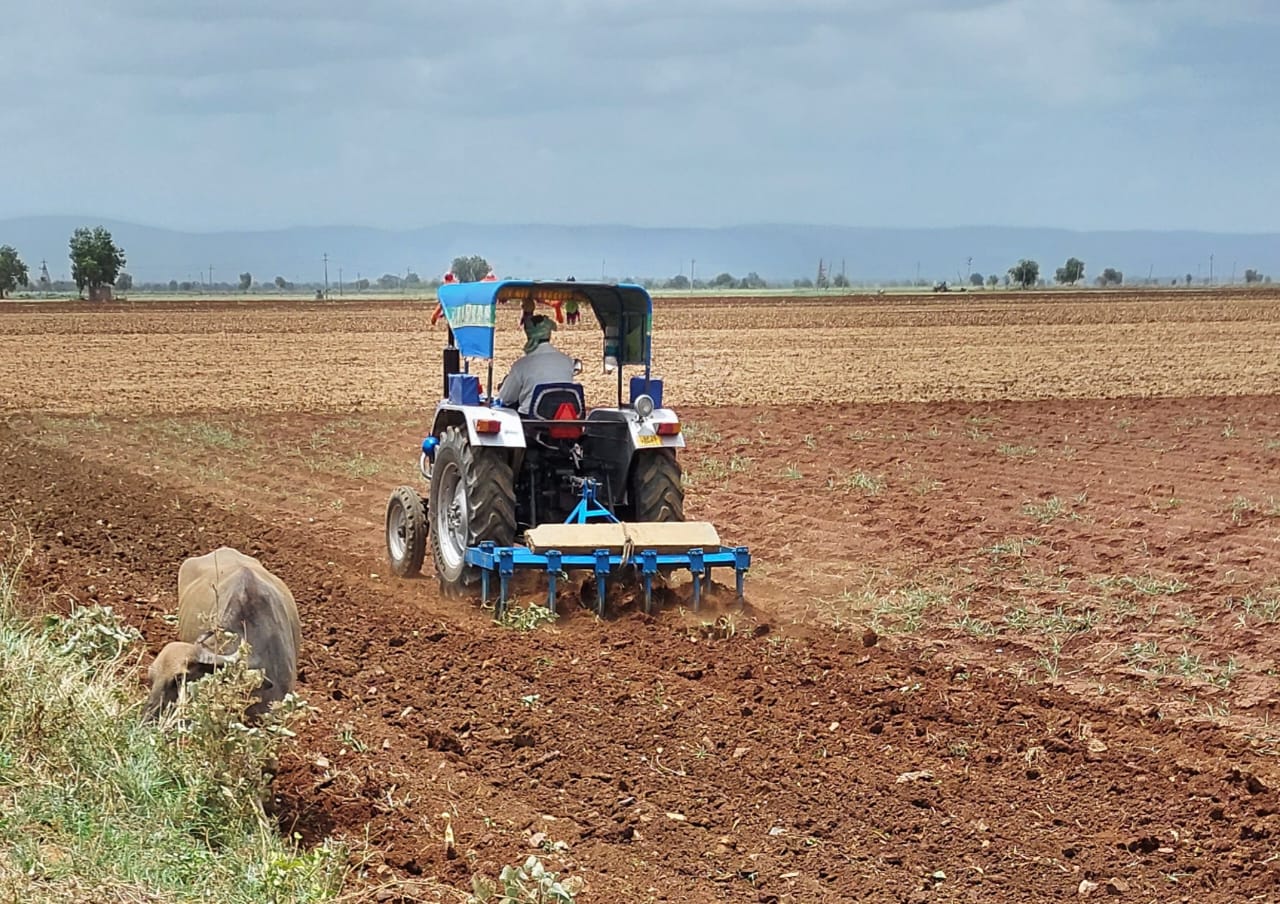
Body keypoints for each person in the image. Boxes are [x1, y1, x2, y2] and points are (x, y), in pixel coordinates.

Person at [498, 315, 576, 413]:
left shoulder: (522, 365)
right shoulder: (567, 361)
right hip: (563, 415)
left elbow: (506, 398)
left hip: (530, 420)